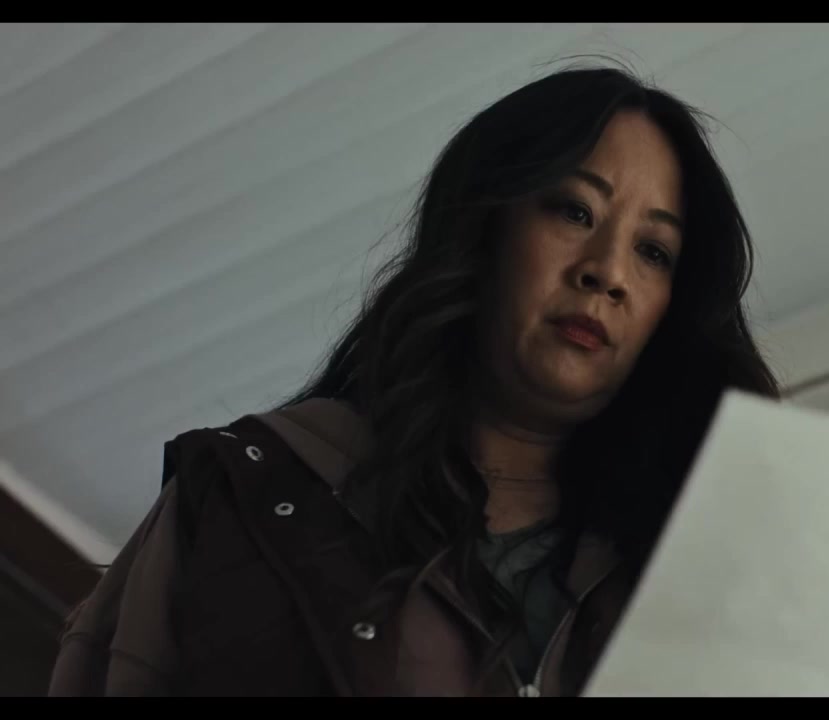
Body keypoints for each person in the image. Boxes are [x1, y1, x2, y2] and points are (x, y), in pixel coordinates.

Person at [47, 62, 780, 697]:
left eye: (653, 252)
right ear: (487, 228)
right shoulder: (247, 491)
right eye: (574, 210)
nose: (608, 271)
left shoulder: (693, 584)